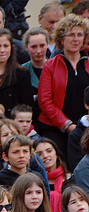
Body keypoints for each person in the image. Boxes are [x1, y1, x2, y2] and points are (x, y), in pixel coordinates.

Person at [38, 13, 89, 160]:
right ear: (61, 38)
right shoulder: (50, 65)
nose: (76, 39)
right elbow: (45, 101)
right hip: (56, 129)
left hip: (86, 128)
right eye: (71, 34)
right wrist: (67, 126)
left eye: (80, 34)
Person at [34, 137, 69, 212]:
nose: (45, 156)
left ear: (56, 154)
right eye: (39, 154)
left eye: (49, 151)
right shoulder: (33, 181)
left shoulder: (70, 178)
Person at [22, 28, 49, 100]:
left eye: (42, 45)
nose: (38, 51)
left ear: (47, 45)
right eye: (34, 47)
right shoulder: (21, 71)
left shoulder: (57, 68)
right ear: (27, 47)